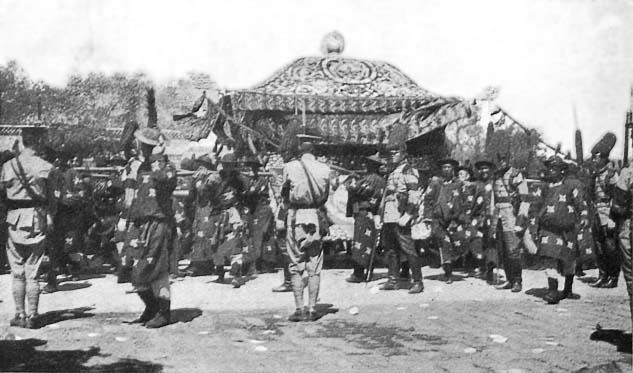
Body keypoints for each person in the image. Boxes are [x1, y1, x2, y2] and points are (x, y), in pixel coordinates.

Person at [1, 126, 56, 328]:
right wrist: (49, 217)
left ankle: (19, 314)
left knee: (17, 271)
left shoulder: (8, 167)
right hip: (37, 219)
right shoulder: (46, 167)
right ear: (39, 142)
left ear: (22, 141)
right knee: (33, 270)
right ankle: (33, 316)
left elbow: (1, 195)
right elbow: (52, 201)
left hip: (13, 219)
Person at [126, 127, 177, 328]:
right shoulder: (139, 167)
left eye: (144, 144)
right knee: (134, 270)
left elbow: (164, 180)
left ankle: (164, 313)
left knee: (158, 271)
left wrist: (158, 158)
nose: (140, 147)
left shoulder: (166, 166)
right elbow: (135, 197)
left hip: (158, 223)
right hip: (140, 224)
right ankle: (151, 307)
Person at [281, 139, 331, 321]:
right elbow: (325, 196)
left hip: (296, 217)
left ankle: (299, 308)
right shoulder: (325, 169)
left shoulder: (290, 167)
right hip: (315, 216)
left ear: (299, 152)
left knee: (295, 264)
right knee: (315, 266)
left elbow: (285, 194)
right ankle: (312, 309)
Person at [537, 156, 589, 304]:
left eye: (555, 168)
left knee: (568, 258)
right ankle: (553, 290)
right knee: (549, 256)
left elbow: (581, 203)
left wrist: (584, 216)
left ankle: (567, 289)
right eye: (550, 168)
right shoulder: (544, 188)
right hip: (548, 228)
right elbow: (536, 207)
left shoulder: (570, 186)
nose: (551, 171)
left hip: (567, 228)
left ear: (562, 171)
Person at [380, 149, 423, 293]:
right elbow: (387, 195)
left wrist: (408, 214)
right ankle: (393, 280)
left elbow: (414, 194)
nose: (393, 154)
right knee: (391, 250)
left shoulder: (408, 170)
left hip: (401, 214)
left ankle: (417, 281)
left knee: (408, 249)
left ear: (404, 154)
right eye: (391, 152)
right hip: (390, 215)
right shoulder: (393, 171)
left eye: (396, 151)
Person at [345, 153, 387, 283]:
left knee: (360, 243)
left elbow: (354, 189)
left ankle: (358, 273)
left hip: (364, 212)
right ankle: (367, 268)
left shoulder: (370, 179)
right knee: (369, 242)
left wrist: (350, 180)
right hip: (374, 213)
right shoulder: (381, 180)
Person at [492, 155, 530, 293]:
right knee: (502, 250)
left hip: (511, 216)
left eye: (504, 159)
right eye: (499, 159)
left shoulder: (515, 174)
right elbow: (493, 198)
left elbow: (525, 199)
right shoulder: (496, 175)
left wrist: (521, 220)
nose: (501, 162)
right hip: (498, 217)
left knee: (513, 251)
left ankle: (517, 281)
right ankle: (509, 279)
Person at [422, 158, 462, 284]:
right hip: (438, 219)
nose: (447, 169)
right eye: (444, 167)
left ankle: (453, 265)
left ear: (453, 169)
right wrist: (428, 217)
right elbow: (428, 200)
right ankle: (448, 272)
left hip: (455, 219)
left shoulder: (459, 184)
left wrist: (461, 217)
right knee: (444, 244)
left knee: (457, 243)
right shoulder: (435, 184)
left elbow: (465, 201)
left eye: (449, 167)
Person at [185, 154, 218, 277]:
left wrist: (200, 181)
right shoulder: (198, 178)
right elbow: (191, 195)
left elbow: (204, 193)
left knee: (205, 236)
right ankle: (197, 262)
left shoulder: (212, 178)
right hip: (199, 210)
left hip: (208, 209)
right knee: (197, 235)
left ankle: (204, 264)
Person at [589, 155, 619, 288]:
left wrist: (613, 217)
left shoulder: (611, 174)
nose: (594, 160)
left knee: (610, 247)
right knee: (599, 246)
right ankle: (602, 275)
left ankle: (613, 277)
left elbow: (617, 195)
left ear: (603, 159)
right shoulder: (595, 174)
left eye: (596, 158)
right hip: (597, 211)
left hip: (608, 211)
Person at [470, 160, 497, 282]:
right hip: (478, 218)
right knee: (476, 241)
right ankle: (479, 265)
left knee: (491, 243)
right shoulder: (476, 185)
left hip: (492, 217)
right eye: (481, 169)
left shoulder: (495, 184)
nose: (483, 171)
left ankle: (490, 269)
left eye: (486, 168)